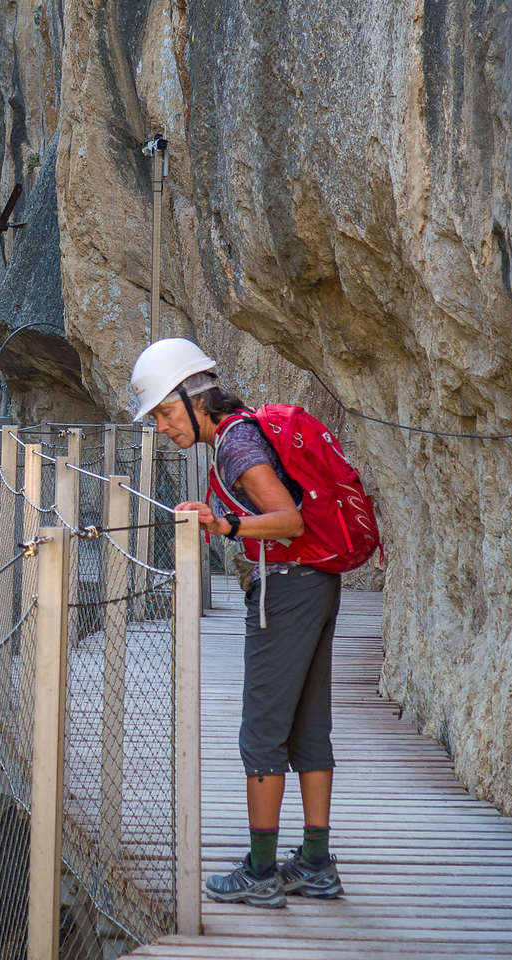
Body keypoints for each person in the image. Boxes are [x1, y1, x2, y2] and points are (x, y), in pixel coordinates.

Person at [129, 337, 342, 910]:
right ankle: (316, 864)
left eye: (167, 413)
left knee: (262, 732)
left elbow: (289, 521)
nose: (165, 428)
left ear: (195, 398)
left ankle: (261, 870)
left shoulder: (234, 443)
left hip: (287, 588)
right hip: (317, 585)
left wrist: (223, 528)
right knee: (307, 727)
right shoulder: (244, 429)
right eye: (156, 419)